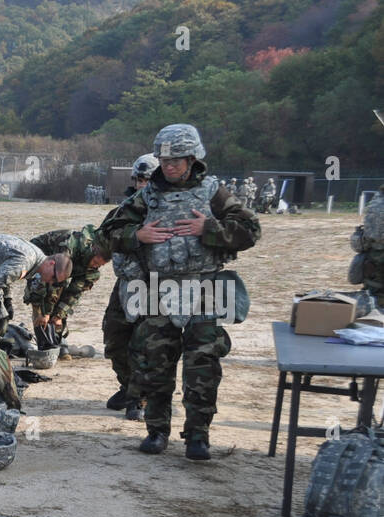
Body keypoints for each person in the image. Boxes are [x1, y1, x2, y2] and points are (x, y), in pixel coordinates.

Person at [100, 123, 261, 460]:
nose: (169, 166)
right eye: (164, 160)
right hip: (159, 289)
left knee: (202, 363)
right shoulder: (147, 195)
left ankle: (198, 436)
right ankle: (157, 431)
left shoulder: (215, 192)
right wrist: (137, 236)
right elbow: (111, 229)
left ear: (192, 159)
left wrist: (210, 228)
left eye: (176, 161)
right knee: (155, 362)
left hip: (205, 288)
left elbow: (250, 230)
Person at [102, 154, 158, 421]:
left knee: (143, 344)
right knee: (114, 337)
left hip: (153, 286)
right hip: (126, 281)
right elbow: (107, 235)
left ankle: (141, 396)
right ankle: (128, 386)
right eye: (137, 179)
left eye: (145, 179)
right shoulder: (125, 207)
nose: (139, 185)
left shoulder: (165, 209)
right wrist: (134, 235)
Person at [0, 233, 72, 341]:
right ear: (51, 264)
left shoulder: (38, 264)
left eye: (56, 282)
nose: (51, 282)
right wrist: (2, 315)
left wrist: (7, 300)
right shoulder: (26, 261)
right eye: (54, 278)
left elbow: (5, 275)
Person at [24, 225, 110, 353]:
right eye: (96, 263)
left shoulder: (91, 271)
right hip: (38, 259)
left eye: (100, 265)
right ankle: (44, 345)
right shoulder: (68, 246)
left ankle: (56, 343)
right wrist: (46, 313)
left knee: (58, 312)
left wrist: (58, 315)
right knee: (41, 303)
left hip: (60, 270)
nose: (96, 266)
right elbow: (55, 284)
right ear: (93, 252)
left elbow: (74, 293)